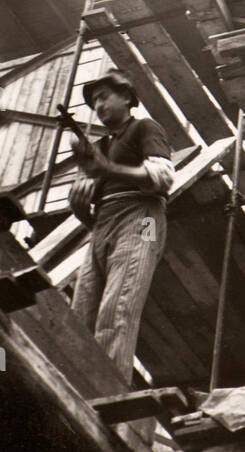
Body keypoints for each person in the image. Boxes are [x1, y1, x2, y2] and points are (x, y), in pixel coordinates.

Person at [68, 69, 174, 383]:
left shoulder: (144, 127)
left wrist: (109, 169)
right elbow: (91, 214)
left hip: (145, 219)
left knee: (118, 309)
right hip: (103, 224)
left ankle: (106, 391)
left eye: (104, 97)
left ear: (126, 96)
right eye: (93, 102)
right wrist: (78, 205)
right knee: (81, 313)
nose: (98, 106)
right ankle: (76, 386)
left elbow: (164, 177)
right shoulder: (100, 147)